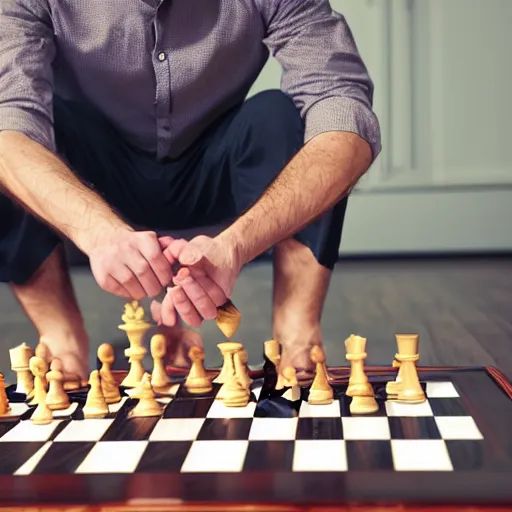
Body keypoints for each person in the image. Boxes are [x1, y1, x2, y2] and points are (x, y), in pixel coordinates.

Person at [0, 0, 380, 383]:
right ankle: (61, 338)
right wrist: (97, 233)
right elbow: (8, 123)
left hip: (212, 164)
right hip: (95, 176)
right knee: (13, 144)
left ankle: (297, 332)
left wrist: (236, 245)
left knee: (282, 120)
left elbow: (344, 110)